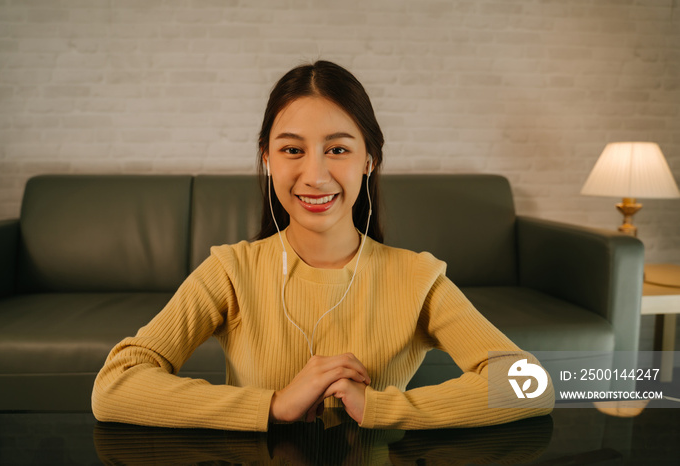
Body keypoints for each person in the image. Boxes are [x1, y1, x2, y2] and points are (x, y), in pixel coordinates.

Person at [92, 60, 553, 431]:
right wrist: (273, 405)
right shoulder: (231, 271)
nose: (315, 175)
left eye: (338, 149)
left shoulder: (417, 277)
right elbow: (115, 386)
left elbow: (530, 385)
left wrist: (381, 409)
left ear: (369, 159)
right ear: (266, 158)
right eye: (292, 149)